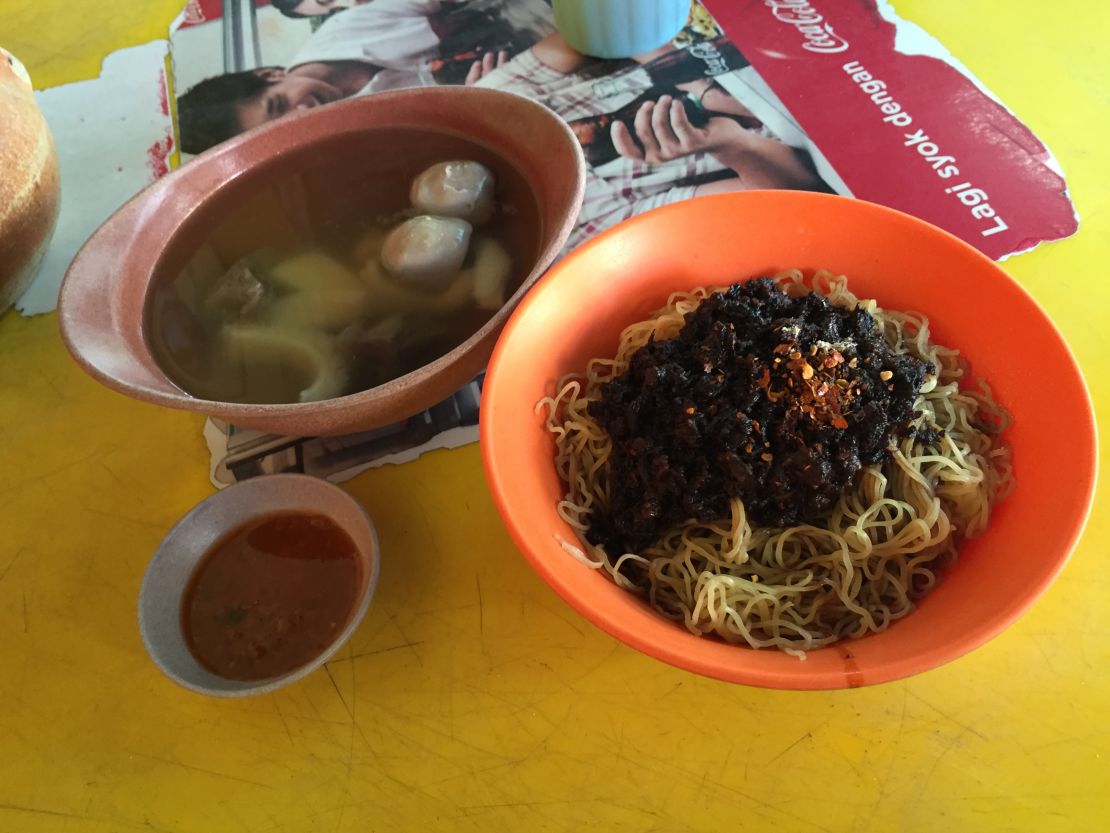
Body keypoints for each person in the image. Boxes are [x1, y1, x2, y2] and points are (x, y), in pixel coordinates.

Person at [467, 32, 830, 249]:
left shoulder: (485, 105)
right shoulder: (576, 232)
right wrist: (730, 144)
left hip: (747, 43)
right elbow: (805, 193)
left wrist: (696, 83)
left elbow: (598, 25)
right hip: (817, 125)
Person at [177, 0, 547, 153]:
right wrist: (482, 105)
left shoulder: (349, 28)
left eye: (279, 105)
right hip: (544, 106)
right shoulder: (357, 142)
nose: (302, 115)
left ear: (270, 74)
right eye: (280, 130)